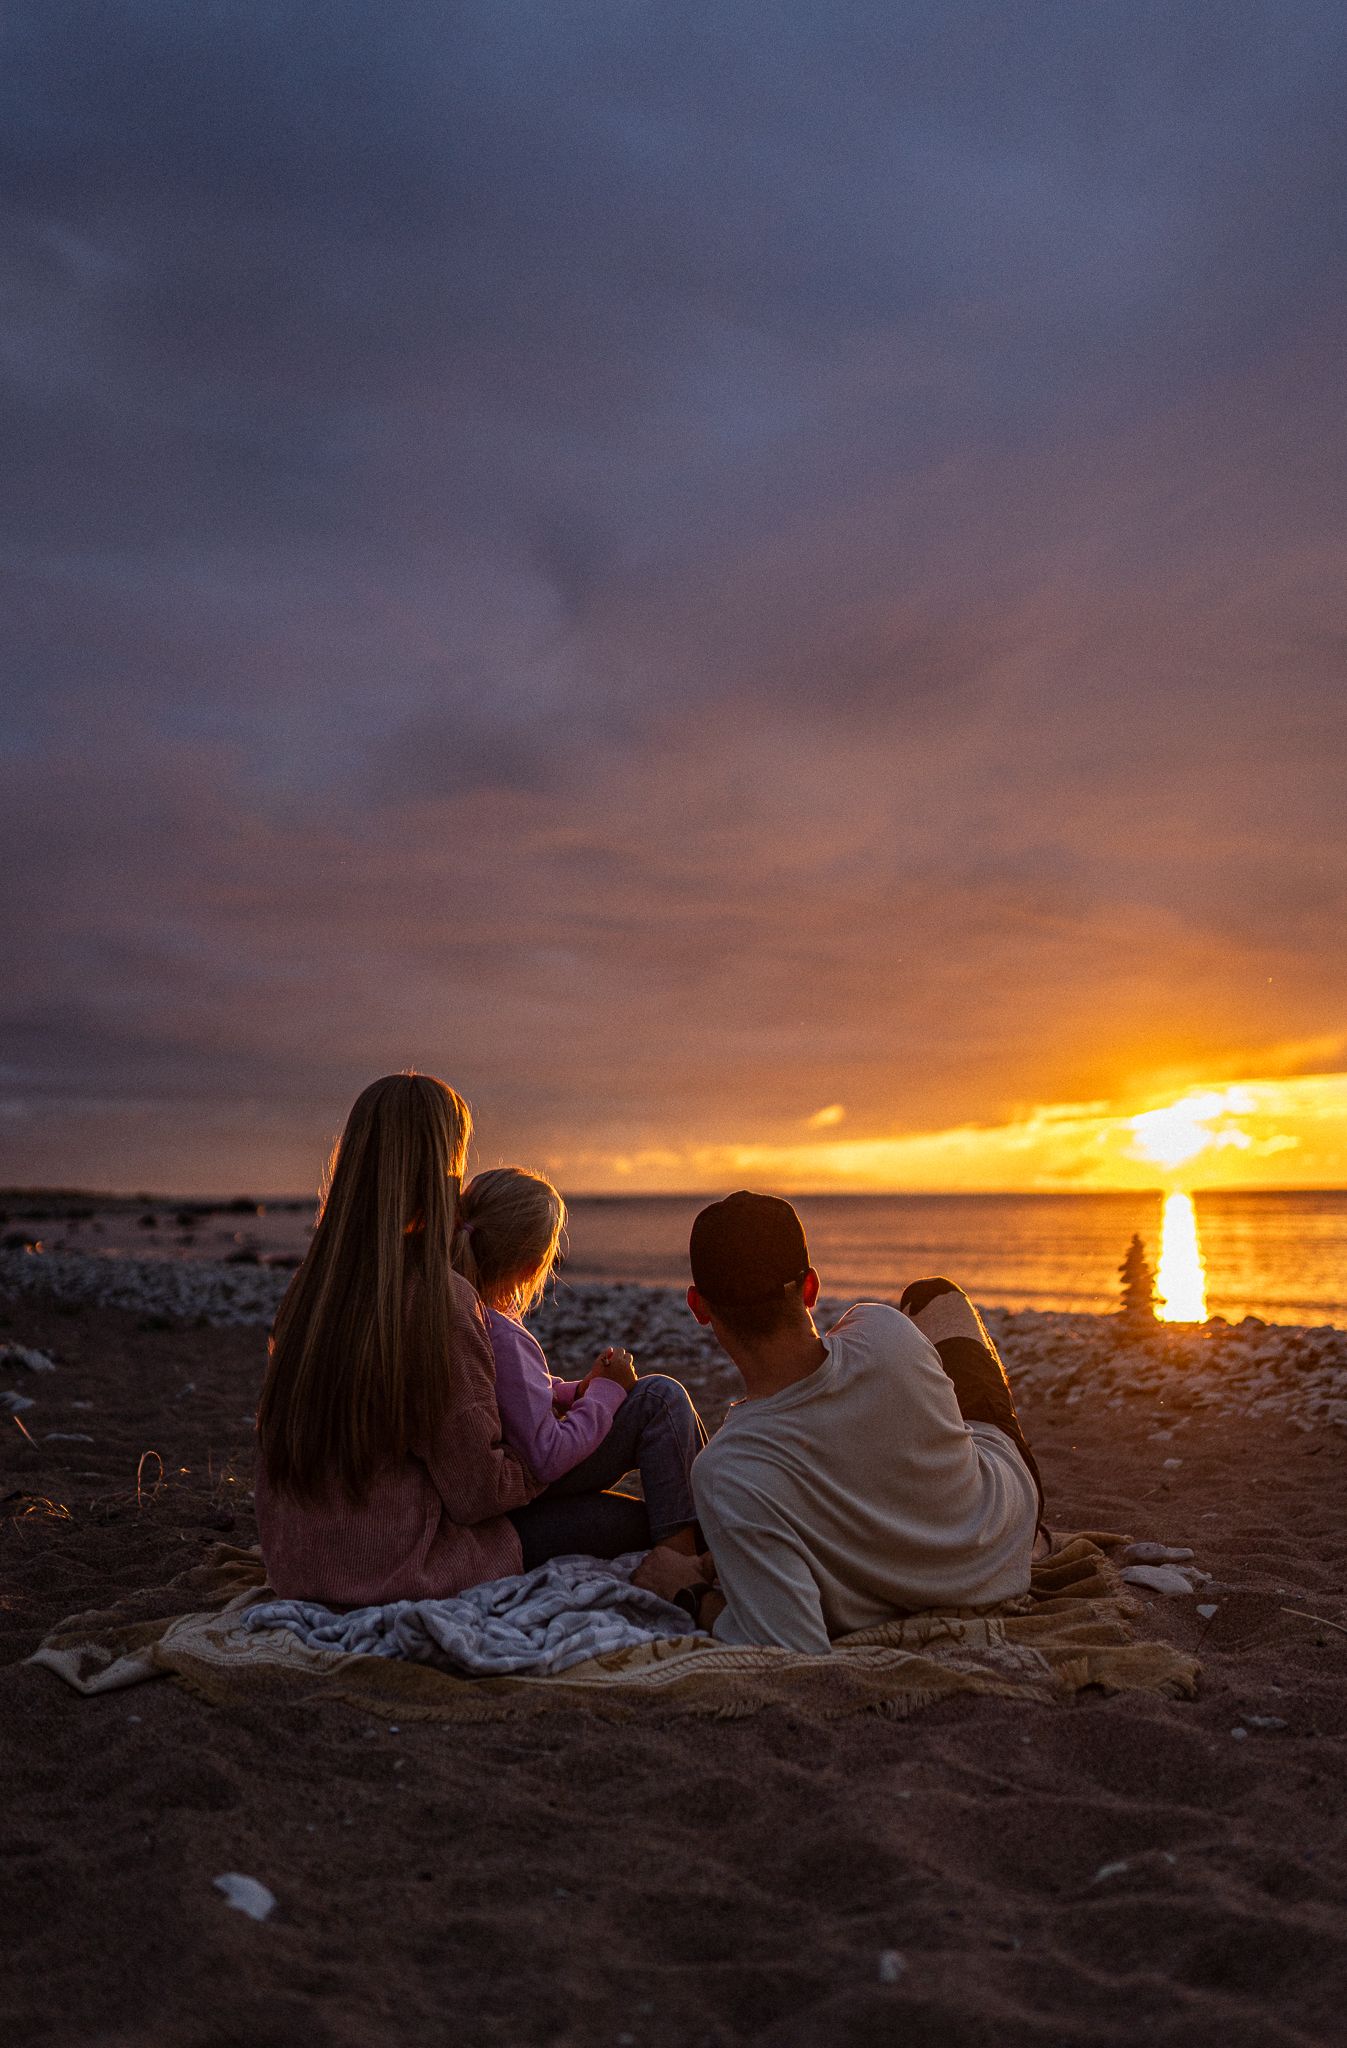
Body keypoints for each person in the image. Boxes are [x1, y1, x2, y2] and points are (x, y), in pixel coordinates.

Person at [634, 1192, 1044, 1653]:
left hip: (951, 1579)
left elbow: (787, 1641)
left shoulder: (727, 1471)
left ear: (699, 1307)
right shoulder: (882, 1330)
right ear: (810, 1288)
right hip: (1008, 1526)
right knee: (932, 1296)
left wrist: (683, 1593)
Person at [255, 1072, 541, 1605]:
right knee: (623, 1508)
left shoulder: (310, 1291)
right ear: (439, 1171)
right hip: (397, 1569)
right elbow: (477, 1494)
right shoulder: (437, 1300)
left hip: (299, 1566)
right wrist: (542, 1459)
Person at [450, 1166, 708, 1569]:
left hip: (512, 1495)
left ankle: (693, 1543)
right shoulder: (502, 1336)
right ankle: (684, 1562)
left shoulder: (471, 1314)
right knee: (659, 1397)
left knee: (658, 1504)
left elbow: (518, 1393)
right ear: (532, 1265)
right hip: (520, 1502)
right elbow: (546, 1456)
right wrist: (606, 1395)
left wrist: (579, 1391)